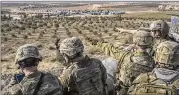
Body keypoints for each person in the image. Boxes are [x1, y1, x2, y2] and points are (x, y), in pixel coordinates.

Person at [87, 30, 154, 95]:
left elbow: (111, 49)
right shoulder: (153, 61)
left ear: (136, 42)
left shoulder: (125, 56)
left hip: (124, 90)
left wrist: (98, 43)